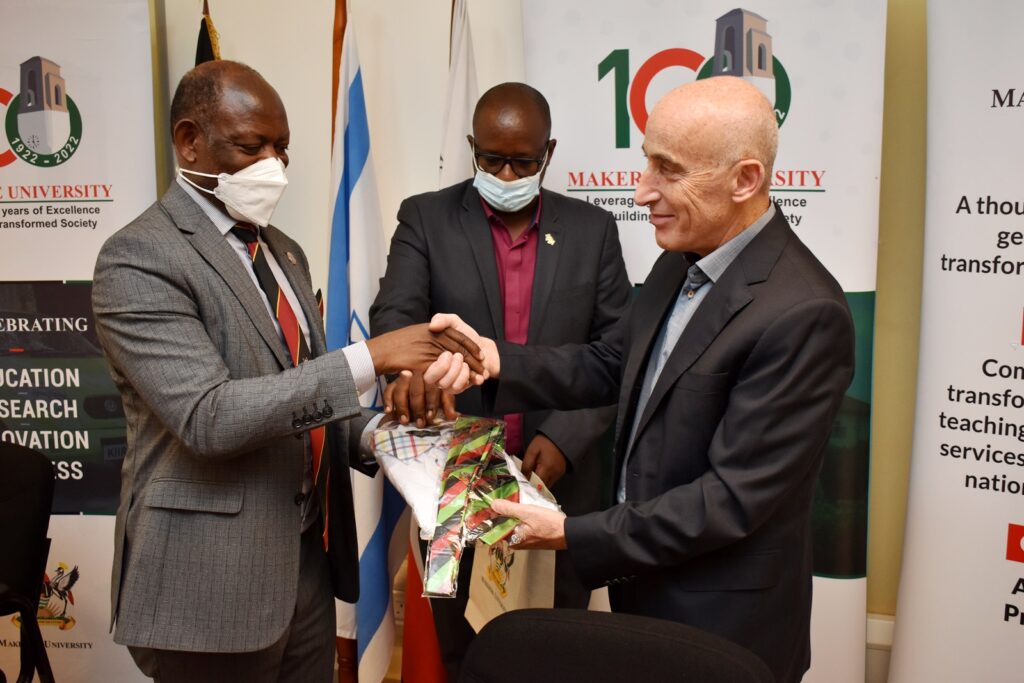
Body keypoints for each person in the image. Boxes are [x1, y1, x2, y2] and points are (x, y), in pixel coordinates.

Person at [437, 76, 856, 683]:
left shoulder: (804, 313)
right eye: (645, 164)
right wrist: (497, 359)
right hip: (644, 592)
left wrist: (571, 534)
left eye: (669, 170)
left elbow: (730, 499)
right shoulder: (677, 260)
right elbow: (614, 365)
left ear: (745, 180)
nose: (642, 191)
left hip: (722, 624)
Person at [91, 60, 482, 683]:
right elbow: (209, 418)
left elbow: (306, 405)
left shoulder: (283, 251)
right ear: (190, 140)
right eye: (253, 146)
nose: (274, 164)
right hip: (207, 583)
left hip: (305, 566)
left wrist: (398, 436)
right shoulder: (140, 258)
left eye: (283, 147)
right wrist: (372, 356)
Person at [369, 82, 631, 678]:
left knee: (557, 649)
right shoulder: (426, 217)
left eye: (523, 161)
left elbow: (617, 354)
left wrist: (566, 437)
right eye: (491, 159)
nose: (506, 172)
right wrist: (415, 371)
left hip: (560, 482)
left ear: (550, 153)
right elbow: (396, 319)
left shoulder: (593, 230)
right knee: (462, 651)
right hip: (454, 475)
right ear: (471, 148)